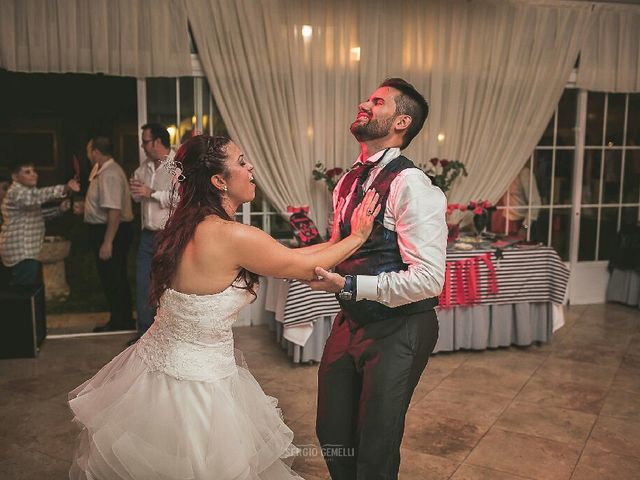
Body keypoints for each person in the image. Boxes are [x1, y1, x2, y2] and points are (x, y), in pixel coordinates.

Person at [68, 134, 380, 479]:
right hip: (199, 387)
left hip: (151, 372)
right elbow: (303, 267)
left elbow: (286, 258)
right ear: (219, 181)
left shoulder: (185, 225)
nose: (251, 169)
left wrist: (336, 240)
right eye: (242, 162)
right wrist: (357, 237)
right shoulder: (232, 236)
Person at [306, 78, 447, 480]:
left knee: (375, 445)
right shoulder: (347, 181)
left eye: (377, 101)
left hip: (400, 327)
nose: (363, 103)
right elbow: (339, 245)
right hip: (351, 323)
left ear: (401, 121)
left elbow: (428, 280)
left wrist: (349, 287)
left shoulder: (412, 185)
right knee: (332, 431)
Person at [75, 136, 135, 332]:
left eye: (88, 151)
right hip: (103, 228)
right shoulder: (99, 170)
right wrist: (86, 208)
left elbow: (114, 211)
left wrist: (108, 242)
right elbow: (103, 203)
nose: (87, 155)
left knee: (114, 277)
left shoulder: (110, 173)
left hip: (112, 231)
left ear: (95, 152)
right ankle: (118, 319)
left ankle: (121, 321)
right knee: (110, 277)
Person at [0, 160, 79, 286]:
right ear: (15, 177)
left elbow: (37, 215)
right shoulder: (16, 192)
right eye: (27, 172)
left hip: (26, 251)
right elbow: (37, 196)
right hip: (21, 253)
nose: (33, 174)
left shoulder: (25, 193)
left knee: (26, 292)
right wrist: (65, 188)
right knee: (23, 294)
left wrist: (59, 209)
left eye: (34, 171)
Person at [129, 123, 175, 340]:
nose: (142, 145)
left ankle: (167, 336)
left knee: (169, 285)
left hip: (170, 235)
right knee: (143, 283)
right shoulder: (143, 168)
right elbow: (137, 196)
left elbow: (180, 199)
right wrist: (137, 192)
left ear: (157, 142)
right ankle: (143, 336)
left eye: (145, 141)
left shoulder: (177, 166)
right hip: (147, 235)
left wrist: (152, 193)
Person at [491, 166, 541, 238]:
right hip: (499, 221)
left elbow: (535, 202)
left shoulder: (524, 173)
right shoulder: (499, 172)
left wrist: (525, 227)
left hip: (518, 223)